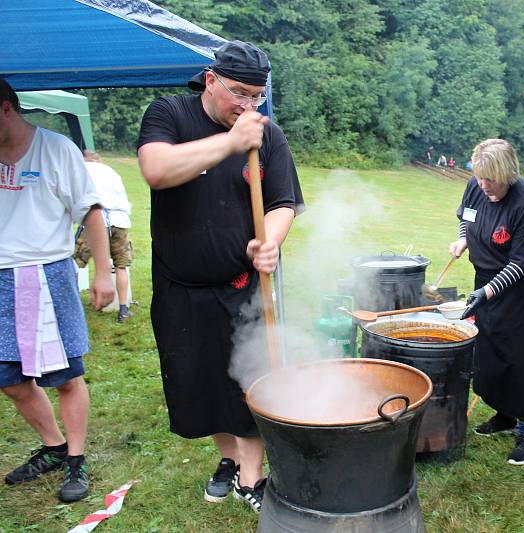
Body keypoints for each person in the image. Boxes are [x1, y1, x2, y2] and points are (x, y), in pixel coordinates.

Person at [137, 40, 304, 513]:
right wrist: (230, 143)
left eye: (257, 96)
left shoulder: (267, 135)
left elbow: (283, 202)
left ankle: (252, 479)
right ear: (210, 80)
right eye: (239, 93)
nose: (248, 106)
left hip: (245, 287)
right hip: (181, 285)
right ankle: (228, 459)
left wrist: (270, 241)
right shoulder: (169, 114)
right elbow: (156, 169)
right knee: (203, 379)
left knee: (251, 379)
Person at [0, 79, 115, 502]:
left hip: (45, 273)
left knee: (64, 375)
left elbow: (91, 211)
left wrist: (103, 272)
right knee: (8, 378)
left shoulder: (55, 149)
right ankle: (53, 445)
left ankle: (77, 459)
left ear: (7, 108)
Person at [450, 139, 524, 466]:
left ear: (507, 174)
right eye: (480, 178)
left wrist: (487, 292)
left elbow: (521, 263)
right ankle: (505, 414)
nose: (484, 186)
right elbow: (466, 216)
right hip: (488, 282)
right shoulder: (476, 185)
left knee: (523, 357)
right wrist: (463, 239)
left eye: (491, 180)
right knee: (492, 350)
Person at [73, 150, 134, 323]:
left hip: (95, 221)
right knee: (121, 266)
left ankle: (73, 305)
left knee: (76, 263)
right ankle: (123, 309)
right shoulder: (111, 171)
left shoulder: (80, 169)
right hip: (120, 221)